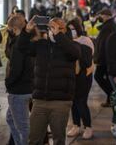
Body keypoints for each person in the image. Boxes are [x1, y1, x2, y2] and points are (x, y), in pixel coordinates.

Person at [22, 17, 80, 145]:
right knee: (33, 139)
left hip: (60, 102)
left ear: (64, 31)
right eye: (52, 27)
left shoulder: (72, 45)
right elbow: (22, 48)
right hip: (39, 101)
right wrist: (26, 31)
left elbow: (75, 54)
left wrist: (58, 35)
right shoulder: (41, 45)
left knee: (59, 139)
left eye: (59, 28)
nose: (54, 30)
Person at [5, 15, 33, 145]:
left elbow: (16, 68)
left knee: (23, 127)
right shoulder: (29, 41)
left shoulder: (17, 45)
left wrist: (8, 82)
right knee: (10, 119)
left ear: (13, 28)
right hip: (27, 87)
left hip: (19, 91)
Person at [66, 19, 94, 140]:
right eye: (69, 29)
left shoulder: (85, 40)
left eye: (73, 28)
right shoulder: (66, 41)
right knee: (73, 101)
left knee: (81, 101)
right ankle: (76, 125)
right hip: (71, 76)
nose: (72, 31)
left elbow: (88, 61)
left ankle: (88, 127)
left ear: (78, 28)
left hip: (84, 75)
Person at [93, 9, 116, 107]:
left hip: (105, 58)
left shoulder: (108, 27)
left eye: (101, 15)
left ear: (106, 16)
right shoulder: (109, 26)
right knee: (107, 78)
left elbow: (104, 44)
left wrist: (99, 58)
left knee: (98, 76)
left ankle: (112, 95)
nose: (100, 17)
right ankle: (110, 99)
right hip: (108, 58)